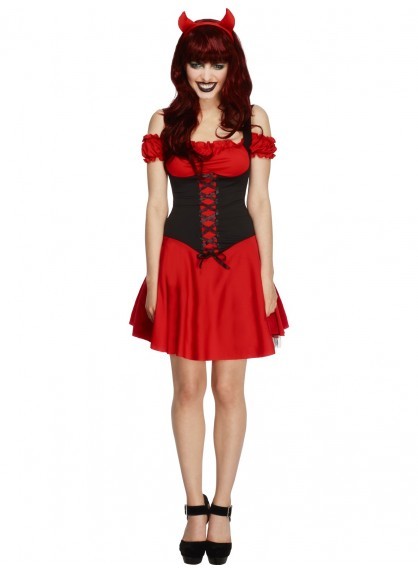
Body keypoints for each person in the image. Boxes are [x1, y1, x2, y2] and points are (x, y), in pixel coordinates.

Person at [129, 8, 289, 565]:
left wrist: (267, 277)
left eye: (216, 64)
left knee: (228, 390)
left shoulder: (254, 119)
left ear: (231, 67)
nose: (205, 73)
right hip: (178, 263)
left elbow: (260, 201)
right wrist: (153, 279)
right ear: (183, 66)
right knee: (187, 389)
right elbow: (155, 206)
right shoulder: (162, 122)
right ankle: (192, 506)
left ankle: (222, 506)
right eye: (197, 62)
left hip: (238, 263)